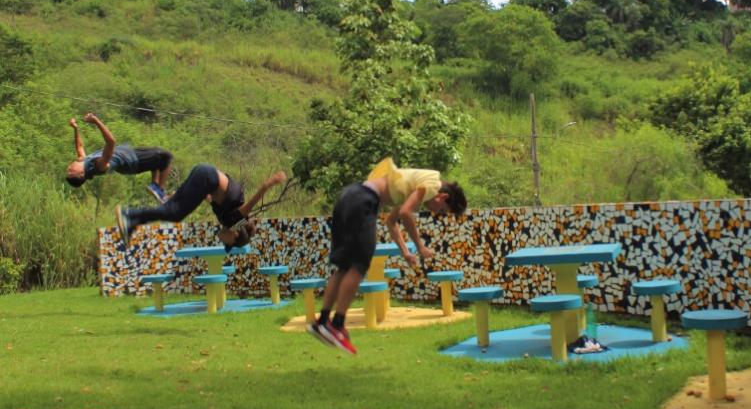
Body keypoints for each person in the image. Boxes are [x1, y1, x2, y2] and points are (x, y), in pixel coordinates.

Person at [308, 157, 467, 354]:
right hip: (363, 200)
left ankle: (322, 321)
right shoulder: (433, 184)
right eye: (442, 210)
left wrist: (406, 252)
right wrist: (420, 246)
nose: (436, 213)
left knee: (344, 267)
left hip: (349, 196)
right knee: (358, 266)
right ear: (442, 197)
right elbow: (407, 214)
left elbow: (392, 222)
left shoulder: (415, 185)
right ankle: (337, 324)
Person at [115, 165, 287, 250]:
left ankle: (131, 223)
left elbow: (208, 198)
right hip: (207, 178)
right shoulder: (235, 221)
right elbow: (254, 201)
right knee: (174, 214)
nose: (222, 242)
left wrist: (178, 196)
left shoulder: (226, 216)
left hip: (206, 178)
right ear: (234, 235)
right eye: (228, 244)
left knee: (173, 210)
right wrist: (271, 182)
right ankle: (129, 215)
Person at [66, 113, 173, 202]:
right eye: (71, 173)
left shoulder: (83, 161)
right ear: (81, 174)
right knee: (165, 156)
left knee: (156, 158)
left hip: (129, 154)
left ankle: (154, 185)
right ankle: (160, 191)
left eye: (68, 172)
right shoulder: (98, 166)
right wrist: (96, 122)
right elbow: (111, 142)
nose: (69, 170)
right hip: (132, 161)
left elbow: (79, 146)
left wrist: (76, 128)